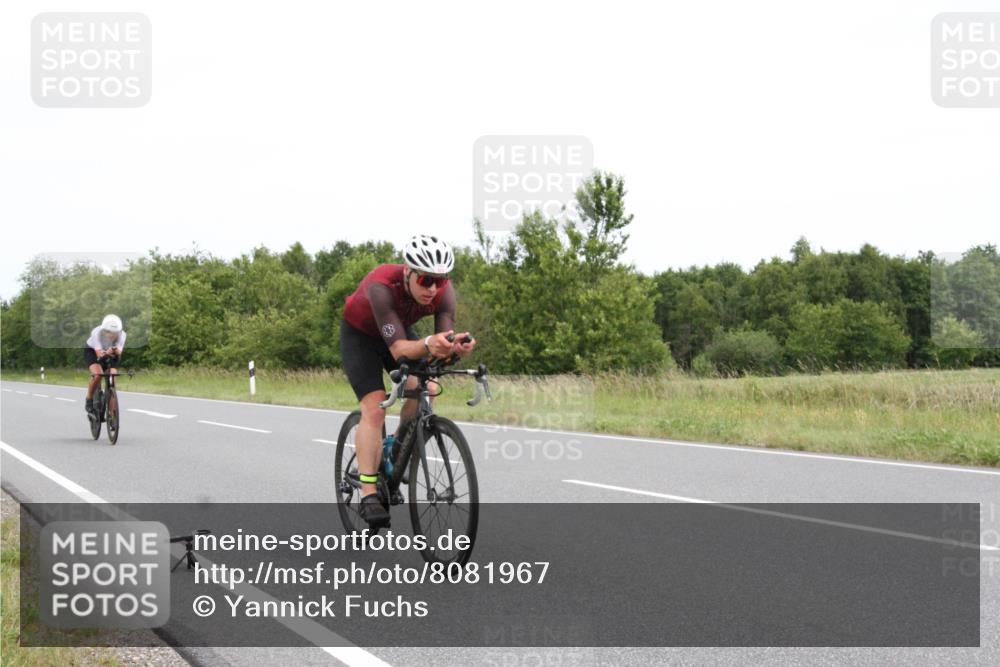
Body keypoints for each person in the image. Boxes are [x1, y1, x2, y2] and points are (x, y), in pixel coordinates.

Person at [340, 235, 476, 525]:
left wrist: (455, 350)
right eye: (426, 280)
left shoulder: (443, 293)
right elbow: (401, 349)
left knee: (427, 387)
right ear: (407, 271)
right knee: (375, 407)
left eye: (440, 280)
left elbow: (440, 346)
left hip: (398, 333)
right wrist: (430, 343)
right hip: (361, 337)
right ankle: (368, 493)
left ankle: (399, 446)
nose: (433, 288)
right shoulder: (381, 287)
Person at [84, 314, 126, 417]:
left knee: (112, 378)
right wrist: (108, 351)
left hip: (112, 353)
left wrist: (114, 351)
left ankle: (112, 413)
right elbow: (99, 354)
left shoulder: (123, 334)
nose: (113, 335)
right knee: (98, 375)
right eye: (109, 332)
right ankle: (89, 399)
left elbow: (119, 352)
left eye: (115, 333)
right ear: (104, 331)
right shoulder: (96, 332)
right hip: (93, 352)